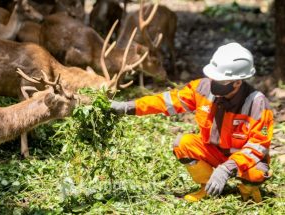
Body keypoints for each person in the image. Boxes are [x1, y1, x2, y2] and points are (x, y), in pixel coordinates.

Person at [111, 42, 274, 202]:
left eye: (219, 81)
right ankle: (207, 187)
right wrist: (128, 107)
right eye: (213, 77)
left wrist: (226, 168)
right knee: (182, 143)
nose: (213, 83)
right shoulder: (202, 88)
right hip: (213, 152)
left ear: (237, 82)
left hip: (242, 160)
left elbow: (257, 147)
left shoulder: (257, 103)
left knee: (256, 173)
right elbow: (166, 101)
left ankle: (246, 191)